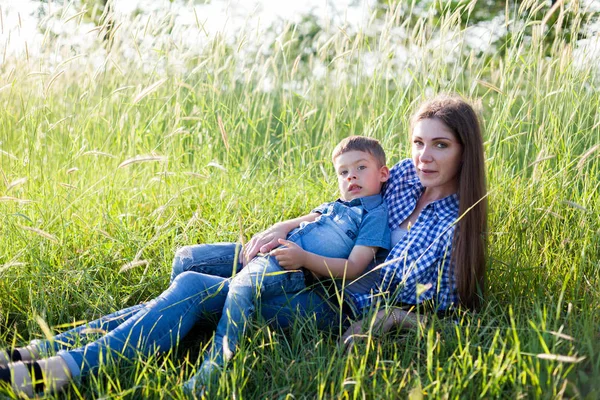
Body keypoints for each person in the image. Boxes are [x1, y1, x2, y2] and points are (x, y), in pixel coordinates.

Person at [0, 94, 487, 398]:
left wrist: (382, 321)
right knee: (191, 265)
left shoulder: (453, 224)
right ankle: (43, 351)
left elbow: (426, 304)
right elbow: (345, 201)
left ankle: (55, 369)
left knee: (193, 287)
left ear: (465, 150)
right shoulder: (402, 175)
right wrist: (289, 225)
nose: (424, 156)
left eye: (441, 145)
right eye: (419, 142)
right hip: (303, 264)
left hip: (327, 301)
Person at [184, 136, 391, 391]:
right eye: (343, 171)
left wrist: (304, 259)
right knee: (187, 259)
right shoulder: (335, 206)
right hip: (274, 249)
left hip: (291, 264)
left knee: (242, 287)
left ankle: (213, 370)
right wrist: (278, 229)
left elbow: (354, 267)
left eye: (361, 168)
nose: (351, 177)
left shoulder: (375, 215)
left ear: (383, 174)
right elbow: (306, 218)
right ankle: (186, 335)